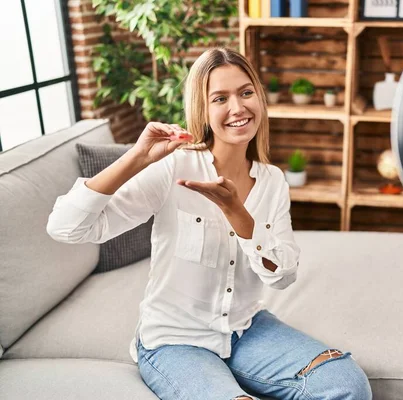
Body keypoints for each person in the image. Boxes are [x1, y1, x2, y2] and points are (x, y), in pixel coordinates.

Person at [47, 47, 372, 400]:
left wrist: (238, 213)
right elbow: (67, 227)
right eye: (220, 98)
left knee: (347, 383)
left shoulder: (273, 180)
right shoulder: (175, 168)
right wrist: (138, 156)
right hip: (174, 341)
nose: (238, 108)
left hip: (246, 329)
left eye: (246, 92)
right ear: (203, 109)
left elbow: (282, 275)